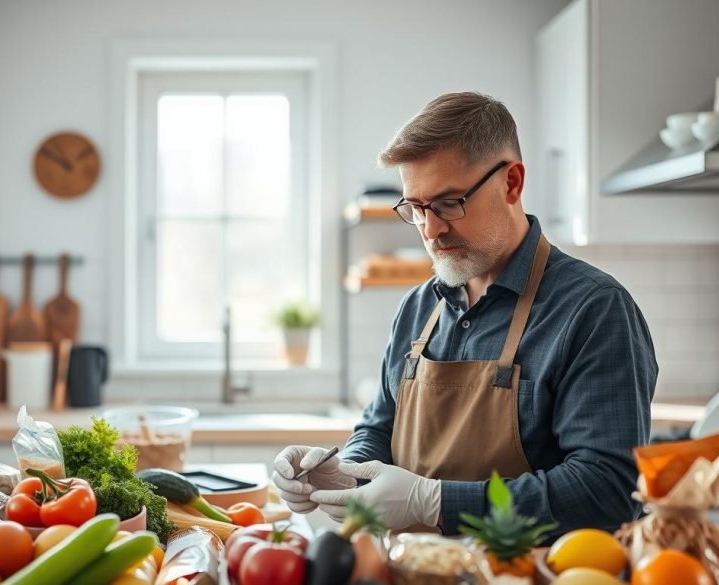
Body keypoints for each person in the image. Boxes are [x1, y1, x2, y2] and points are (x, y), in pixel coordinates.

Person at [272, 92, 657, 535]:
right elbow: (379, 426)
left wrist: (435, 502)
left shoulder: (594, 309)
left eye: (449, 203)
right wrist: (344, 473)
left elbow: (606, 490)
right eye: (415, 209)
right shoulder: (418, 307)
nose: (431, 230)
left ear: (512, 183)